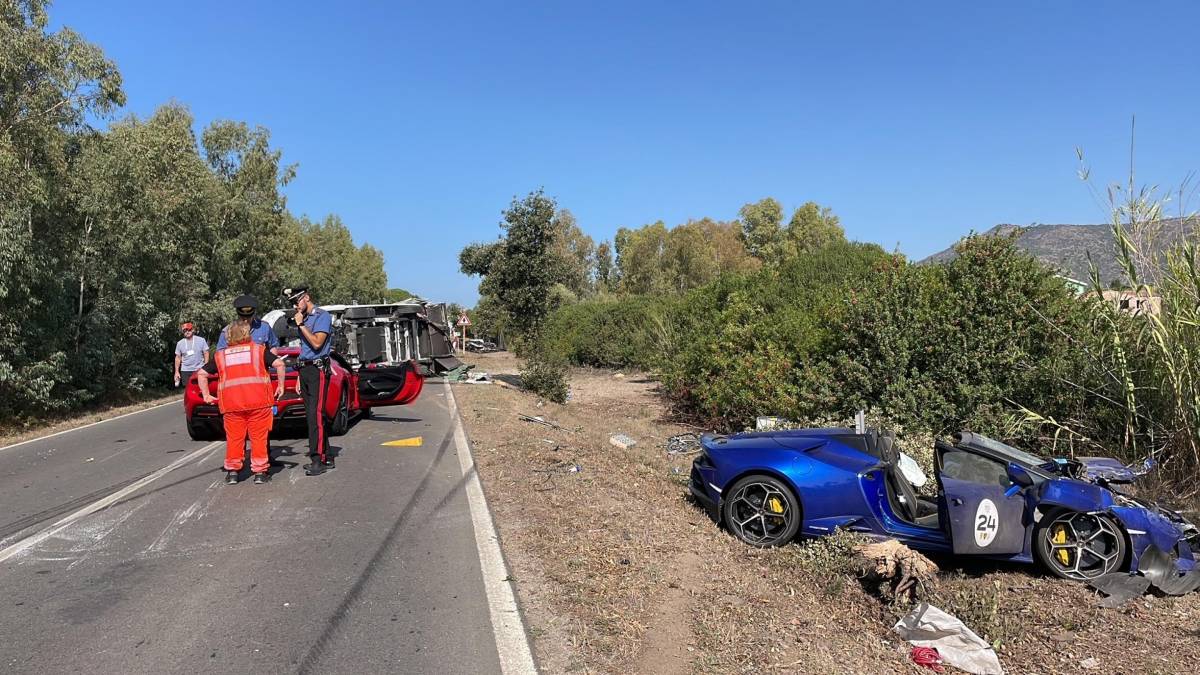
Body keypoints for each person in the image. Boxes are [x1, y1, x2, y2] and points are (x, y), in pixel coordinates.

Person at [198, 319, 286, 485]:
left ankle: (233, 472)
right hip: (258, 402)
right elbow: (280, 364)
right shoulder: (259, 351)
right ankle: (260, 473)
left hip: (231, 404)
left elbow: (202, 374)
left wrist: (206, 395)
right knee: (258, 438)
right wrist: (280, 386)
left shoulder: (220, 356)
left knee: (234, 438)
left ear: (229, 336)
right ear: (246, 334)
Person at [284, 285, 335, 476]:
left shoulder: (322, 316)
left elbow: (316, 343)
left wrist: (300, 325)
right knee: (313, 416)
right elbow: (304, 350)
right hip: (305, 368)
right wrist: (299, 375)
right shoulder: (303, 318)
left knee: (315, 415)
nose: (296, 306)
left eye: (297, 302)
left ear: (306, 297)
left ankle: (317, 459)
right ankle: (327, 455)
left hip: (318, 369)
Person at [174, 322, 209, 388]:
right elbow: (178, 358)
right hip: (185, 370)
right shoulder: (180, 343)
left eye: (189, 330)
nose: (187, 332)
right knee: (188, 390)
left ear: (192, 330)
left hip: (199, 369)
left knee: (201, 389)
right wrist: (176, 372)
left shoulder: (201, 340)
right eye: (185, 331)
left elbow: (206, 353)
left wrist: (206, 366)